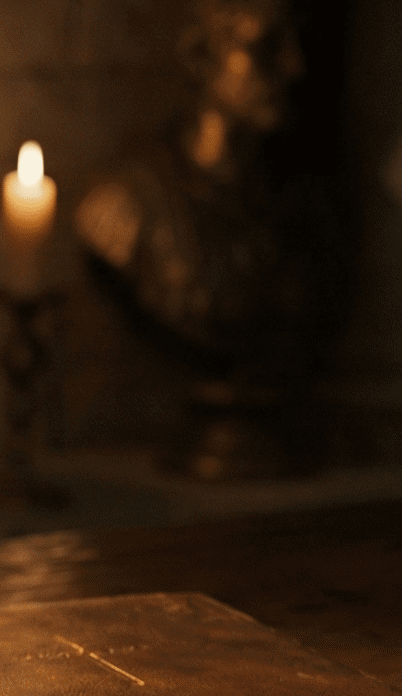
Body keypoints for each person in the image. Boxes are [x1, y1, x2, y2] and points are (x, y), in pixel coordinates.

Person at [73, 0, 339, 477]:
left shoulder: (305, 206)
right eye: (265, 46)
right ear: (201, 57)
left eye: (296, 43)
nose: (294, 67)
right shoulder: (127, 201)